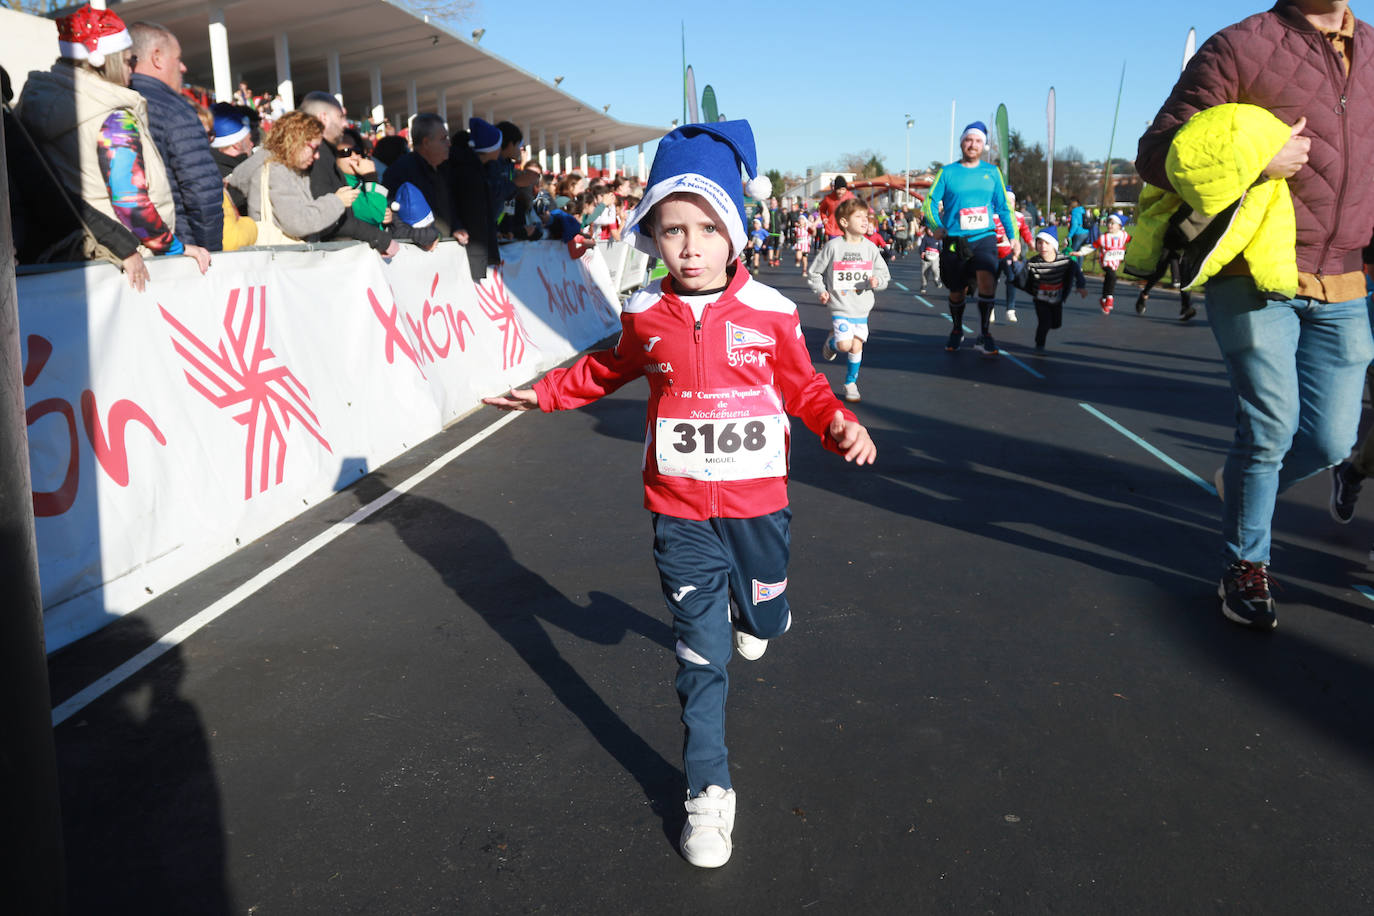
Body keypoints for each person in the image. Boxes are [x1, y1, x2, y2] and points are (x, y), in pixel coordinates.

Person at [481, 120, 876, 869]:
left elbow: (805, 387)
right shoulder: (645, 314)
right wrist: (547, 394)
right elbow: (605, 370)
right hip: (679, 513)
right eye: (671, 231)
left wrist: (839, 425)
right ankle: (708, 793)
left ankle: (764, 607)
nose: (689, 246)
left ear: (734, 232)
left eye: (705, 228)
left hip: (760, 511)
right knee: (702, 660)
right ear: (653, 238)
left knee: (760, 616)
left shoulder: (771, 312)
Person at [1136, 0, 1374, 631]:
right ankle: (1247, 566)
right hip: (1252, 269)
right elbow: (1157, 152)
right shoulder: (1241, 45)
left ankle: (1239, 478)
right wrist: (1254, 163)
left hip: (1346, 276)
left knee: (1330, 440)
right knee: (1269, 429)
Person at [16, 3, 211, 275]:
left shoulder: (36, 102)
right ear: (106, 60)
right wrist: (174, 247)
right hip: (125, 259)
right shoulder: (114, 117)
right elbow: (130, 201)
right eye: (128, 59)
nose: (132, 67)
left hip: (70, 257)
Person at [923, 120, 1019, 357]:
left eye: (977, 141)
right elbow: (930, 202)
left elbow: (1004, 207)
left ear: (984, 146)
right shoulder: (947, 172)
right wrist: (936, 225)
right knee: (957, 290)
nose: (972, 145)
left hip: (984, 236)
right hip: (955, 238)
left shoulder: (991, 172)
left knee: (988, 280)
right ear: (962, 143)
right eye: (968, 140)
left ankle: (985, 333)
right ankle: (957, 329)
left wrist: (1013, 236)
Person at [128, 20, 224, 251]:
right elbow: (202, 193)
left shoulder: (114, 102)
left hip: (131, 251)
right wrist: (209, 253)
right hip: (181, 251)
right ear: (157, 57)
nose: (183, 68)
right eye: (178, 59)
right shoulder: (176, 111)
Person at [227, 110, 364, 243]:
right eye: (314, 148)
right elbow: (298, 222)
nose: (317, 155)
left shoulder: (287, 168)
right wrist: (337, 202)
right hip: (281, 259)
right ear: (296, 141)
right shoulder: (277, 171)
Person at [808, 197, 892, 402]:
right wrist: (821, 290)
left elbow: (884, 275)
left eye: (867, 217)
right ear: (844, 222)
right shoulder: (833, 247)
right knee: (845, 346)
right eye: (859, 217)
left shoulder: (870, 248)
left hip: (862, 308)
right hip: (840, 306)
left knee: (856, 347)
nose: (865, 221)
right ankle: (832, 342)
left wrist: (876, 281)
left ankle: (850, 383)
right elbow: (814, 273)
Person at [1012, 227, 1086, 353]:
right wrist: (1014, 265)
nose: (1043, 246)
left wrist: (1080, 286)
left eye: (1047, 243)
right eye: (1039, 243)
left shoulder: (1064, 261)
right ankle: (1039, 344)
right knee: (1044, 322)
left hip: (1056, 298)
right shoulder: (1033, 263)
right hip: (1040, 299)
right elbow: (1022, 276)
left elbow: (1077, 272)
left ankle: (1046, 329)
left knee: (1056, 324)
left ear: (1054, 245)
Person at [991, 189, 1033, 323]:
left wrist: (1030, 241)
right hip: (993, 254)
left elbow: (1024, 230)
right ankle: (990, 308)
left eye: (1012, 201)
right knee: (992, 282)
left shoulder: (1019, 217)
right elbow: (988, 233)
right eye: (1007, 202)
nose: (1010, 204)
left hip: (1009, 254)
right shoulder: (994, 216)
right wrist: (999, 238)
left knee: (1012, 278)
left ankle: (1010, 309)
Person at [1132, 249, 1198, 321]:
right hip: (1171, 244)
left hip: (1186, 246)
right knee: (1159, 273)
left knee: (1185, 277)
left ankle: (1186, 307)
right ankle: (1144, 294)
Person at [1090, 213, 1130, 314]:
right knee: (1112, 276)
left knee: (1108, 279)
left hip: (1116, 262)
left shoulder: (1123, 235)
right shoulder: (1104, 238)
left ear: (1119, 226)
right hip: (1105, 262)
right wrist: (1079, 252)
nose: (1109, 225)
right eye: (1108, 223)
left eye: (1113, 223)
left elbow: (1133, 241)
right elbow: (1092, 246)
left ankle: (1103, 299)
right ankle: (1109, 298)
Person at [817, 175, 853, 239]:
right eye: (839, 189)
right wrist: (824, 218)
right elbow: (822, 209)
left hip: (846, 230)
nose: (841, 192)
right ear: (835, 189)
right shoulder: (828, 198)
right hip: (832, 231)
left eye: (843, 189)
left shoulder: (850, 197)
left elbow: (857, 209)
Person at [917, 224, 941, 293]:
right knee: (924, 272)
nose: (930, 232)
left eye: (932, 230)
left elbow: (940, 248)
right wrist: (922, 252)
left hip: (935, 257)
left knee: (935, 269)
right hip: (926, 258)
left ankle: (936, 279)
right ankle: (924, 285)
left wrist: (941, 254)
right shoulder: (925, 238)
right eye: (929, 230)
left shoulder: (937, 238)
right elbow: (921, 247)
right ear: (926, 231)